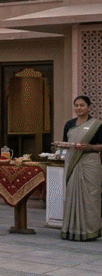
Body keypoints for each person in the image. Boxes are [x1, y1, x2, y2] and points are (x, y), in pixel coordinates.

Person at [57, 95, 101, 241]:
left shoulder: (97, 124)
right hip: (73, 163)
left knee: (91, 197)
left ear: (89, 107)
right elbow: (65, 143)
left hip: (90, 163)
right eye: (76, 105)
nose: (79, 108)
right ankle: (71, 229)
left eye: (82, 105)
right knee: (72, 195)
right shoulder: (69, 125)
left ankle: (91, 230)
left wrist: (90, 147)